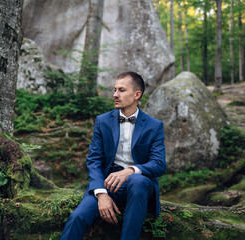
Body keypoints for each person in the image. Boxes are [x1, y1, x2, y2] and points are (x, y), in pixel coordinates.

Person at [60, 72, 166, 240]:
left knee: (137, 181)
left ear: (137, 94)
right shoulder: (103, 121)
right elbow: (94, 160)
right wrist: (101, 194)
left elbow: (159, 164)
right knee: (77, 218)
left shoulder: (154, 126)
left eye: (121, 90)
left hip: (138, 185)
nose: (115, 95)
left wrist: (131, 170)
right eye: (114, 89)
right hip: (108, 184)